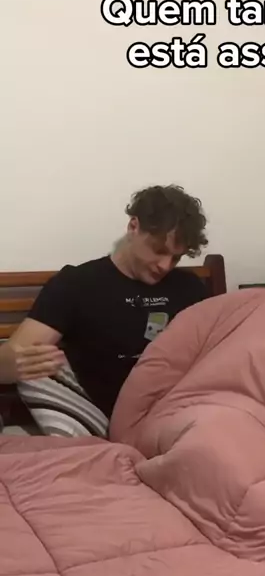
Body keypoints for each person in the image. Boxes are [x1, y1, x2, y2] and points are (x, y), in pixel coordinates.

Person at [0, 185, 209, 432]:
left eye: (176, 257)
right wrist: (8, 366)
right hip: (105, 418)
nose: (165, 265)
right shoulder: (76, 284)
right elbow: (17, 357)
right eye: (159, 250)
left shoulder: (189, 288)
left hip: (176, 409)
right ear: (133, 226)